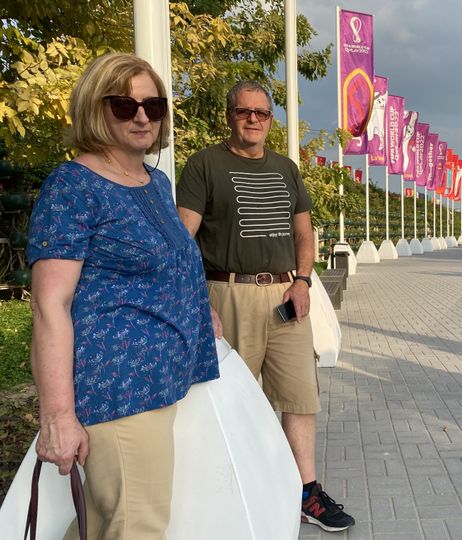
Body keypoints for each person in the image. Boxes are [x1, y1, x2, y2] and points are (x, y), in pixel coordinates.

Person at [26, 53, 220, 539]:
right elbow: (50, 305)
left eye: (153, 106)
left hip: (161, 384)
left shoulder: (155, 183)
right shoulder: (72, 187)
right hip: (119, 391)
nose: (140, 116)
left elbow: (170, 268)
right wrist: (57, 417)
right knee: (137, 527)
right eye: (123, 104)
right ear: (95, 108)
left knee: (108, 522)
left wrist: (202, 313)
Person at [176, 80, 355, 532]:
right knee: (236, 398)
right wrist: (200, 301)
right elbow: (183, 239)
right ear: (229, 116)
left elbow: (303, 233)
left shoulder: (286, 169)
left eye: (262, 113)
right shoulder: (205, 165)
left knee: (300, 397)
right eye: (244, 111)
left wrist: (303, 281)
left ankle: (306, 493)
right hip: (228, 292)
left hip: (286, 296)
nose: (253, 119)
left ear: (271, 119)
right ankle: (239, 492)